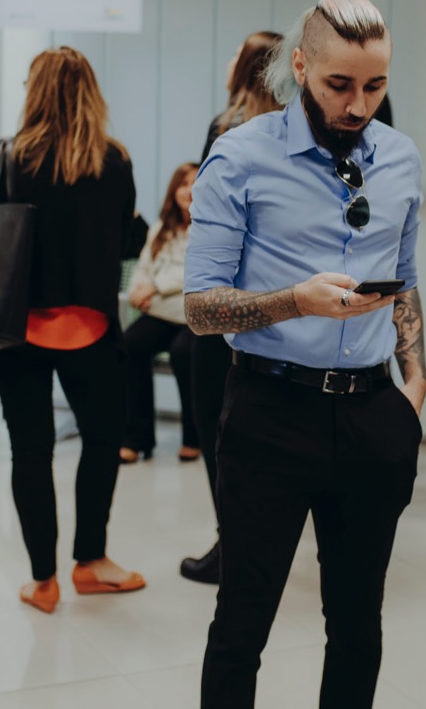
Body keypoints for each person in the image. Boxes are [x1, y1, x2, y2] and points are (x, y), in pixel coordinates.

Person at [186, 0, 426, 708]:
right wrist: (295, 301)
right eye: (338, 84)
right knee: (242, 622)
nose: (357, 105)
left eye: (375, 86)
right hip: (271, 412)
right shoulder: (240, 155)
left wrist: (415, 385)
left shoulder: (401, 157)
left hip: (373, 413)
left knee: (357, 623)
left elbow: (405, 280)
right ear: (299, 67)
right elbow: (199, 308)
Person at [0, 46, 144, 614]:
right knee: (101, 442)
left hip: (17, 330)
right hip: (90, 327)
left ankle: (43, 581)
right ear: (91, 92)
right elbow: (125, 241)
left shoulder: (7, 156)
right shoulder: (114, 161)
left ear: (34, 92)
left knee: (31, 452)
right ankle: (90, 562)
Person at [182, 30, 285, 585]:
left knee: (216, 427)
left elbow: (207, 219)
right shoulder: (296, 133)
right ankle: (261, 541)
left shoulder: (226, 130)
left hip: (226, 302)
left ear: (246, 67)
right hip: (282, 306)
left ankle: (233, 545)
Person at [120, 162, 201, 464]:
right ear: (173, 191)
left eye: (195, 182)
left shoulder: (206, 227)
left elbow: (192, 272)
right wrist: (137, 290)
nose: (189, 190)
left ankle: (193, 437)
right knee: (130, 344)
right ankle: (137, 438)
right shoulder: (159, 229)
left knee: (183, 353)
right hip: (160, 312)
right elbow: (144, 266)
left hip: (189, 316)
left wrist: (154, 287)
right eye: (183, 183)